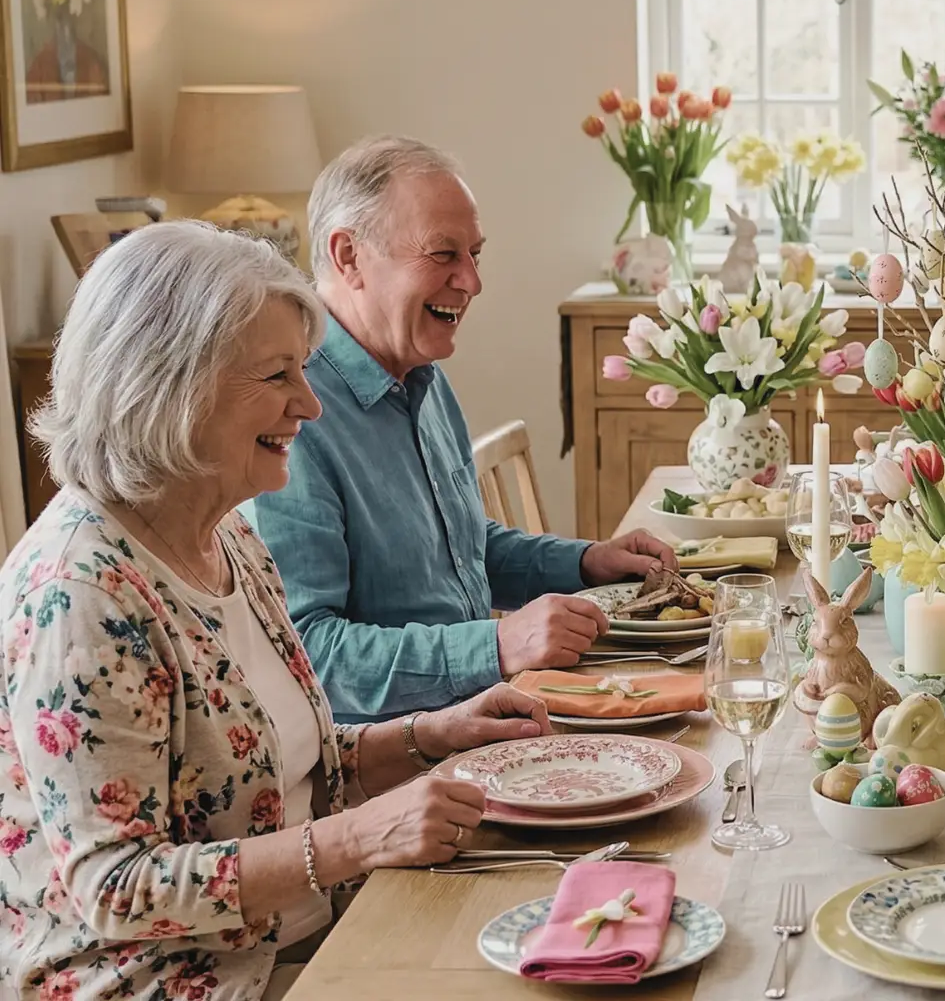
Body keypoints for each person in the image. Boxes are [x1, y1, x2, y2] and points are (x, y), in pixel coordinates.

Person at [0, 221, 554, 1001]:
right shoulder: (82, 594)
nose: (311, 404)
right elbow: (118, 888)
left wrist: (430, 735)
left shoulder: (225, 535)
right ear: (167, 386)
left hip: (315, 931)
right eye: (276, 376)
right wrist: (360, 836)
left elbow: (282, 769)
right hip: (181, 981)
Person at [251, 136, 681, 724]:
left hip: (483, 719)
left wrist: (587, 563)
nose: (472, 282)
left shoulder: (418, 375)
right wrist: (498, 646)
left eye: (475, 254)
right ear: (348, 256)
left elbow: (461, 551)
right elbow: (308, 659)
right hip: (393, 771)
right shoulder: (291, 415)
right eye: (443, 254)